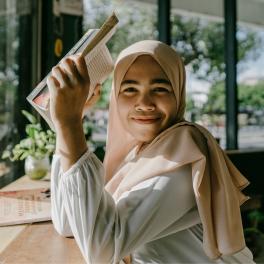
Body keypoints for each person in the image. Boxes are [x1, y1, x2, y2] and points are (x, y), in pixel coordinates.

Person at [48, 40, 255, 264]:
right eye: (129, 89)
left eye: (160, 89)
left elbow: (103, 250)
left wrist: (69, 124)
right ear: (115, 98)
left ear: (178, 93)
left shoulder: (185, 156)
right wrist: (69, 123)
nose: (144, 103)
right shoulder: (139, 153)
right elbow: (68, 224)